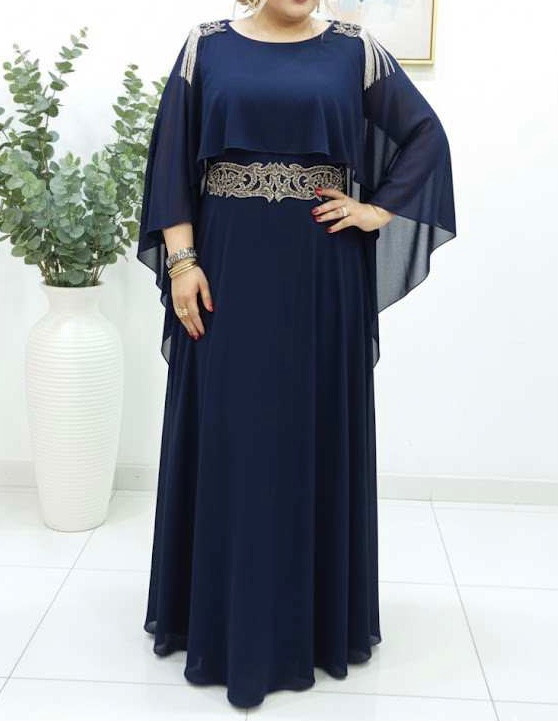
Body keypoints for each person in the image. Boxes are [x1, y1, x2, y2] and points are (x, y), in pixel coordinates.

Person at [136, 0, 456, 710]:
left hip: (320, 274)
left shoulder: (354, 50)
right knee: (233, 434)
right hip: (227, 271)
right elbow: (171, 162)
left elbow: (424, 135)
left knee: (306, 431)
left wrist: (375, 208)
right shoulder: (205, 47)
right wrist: (182, 260)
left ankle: (309, 625)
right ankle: (218, 618)